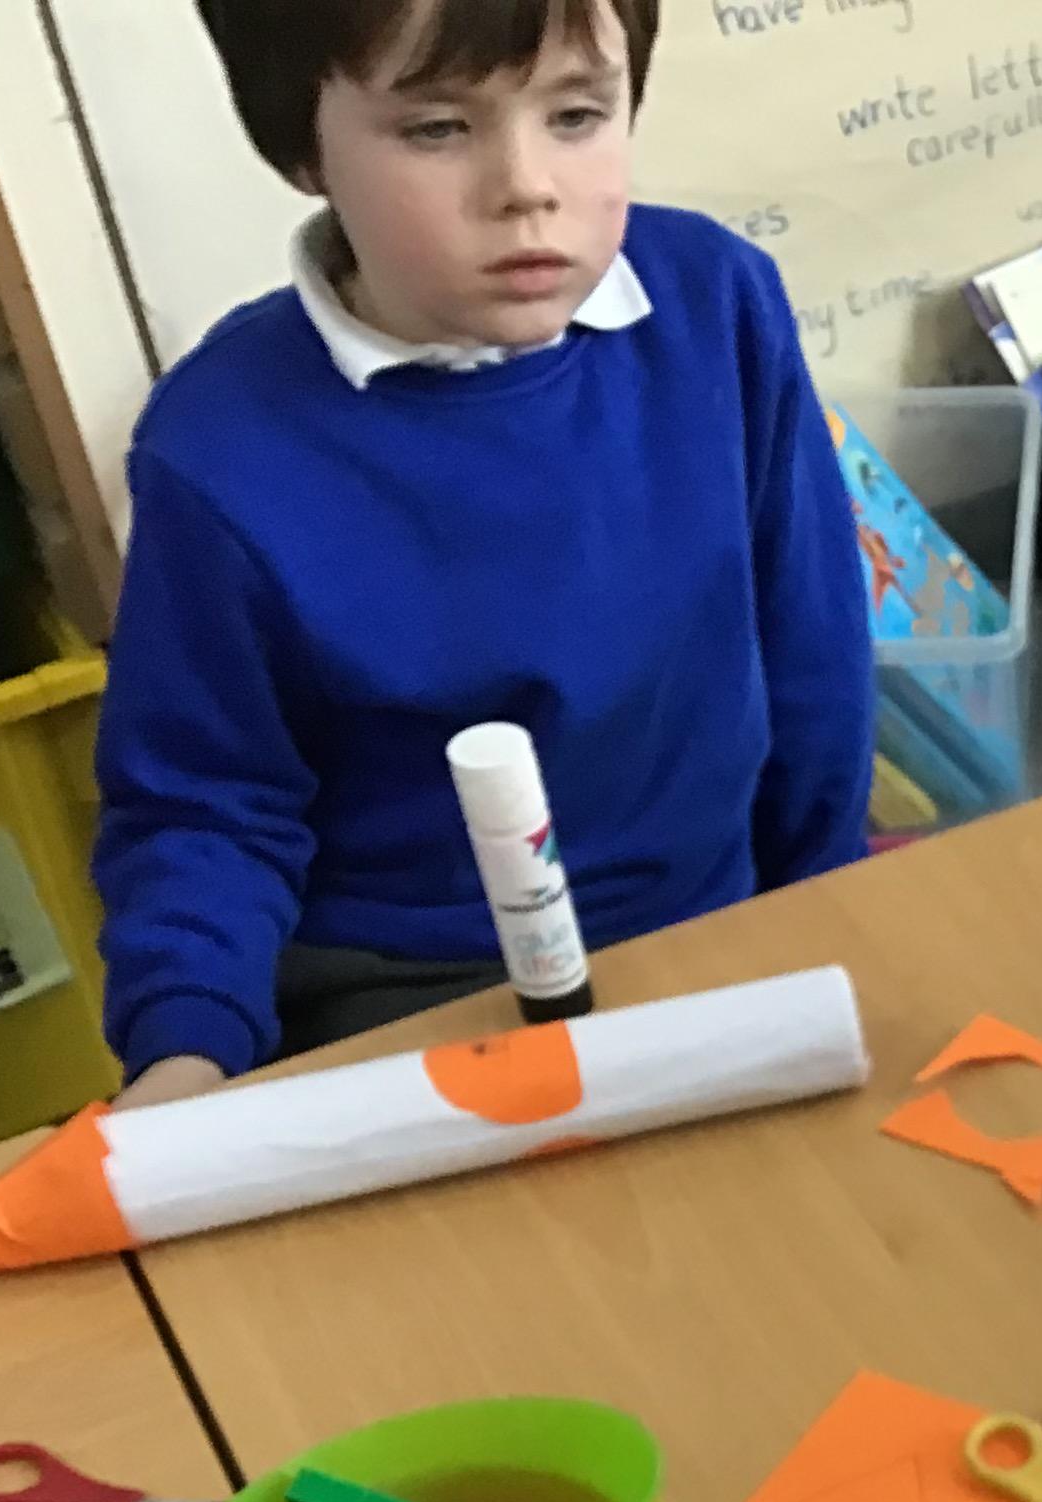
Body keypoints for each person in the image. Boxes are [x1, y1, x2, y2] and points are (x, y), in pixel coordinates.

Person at [95, 0, 874, 1100]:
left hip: (712, 919)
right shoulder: (217, 447)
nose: (525, 188)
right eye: (437, 129)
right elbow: (204, 800)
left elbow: (814, 652)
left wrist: (827, 901)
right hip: (412, 990)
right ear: (300, 146)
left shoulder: (716, 304)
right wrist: (184, 1051)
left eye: (576, 115)